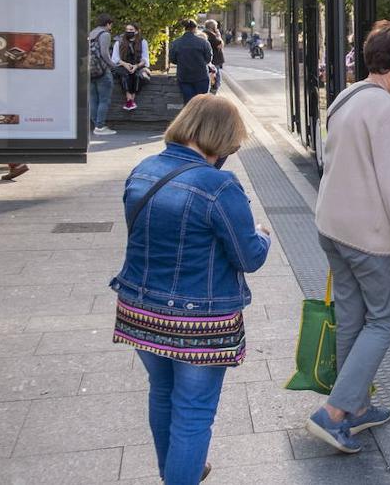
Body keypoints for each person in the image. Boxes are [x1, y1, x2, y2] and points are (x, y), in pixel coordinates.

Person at [109, 95, 271, 485]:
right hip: (199, 321)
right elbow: (248, 257)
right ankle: (181, 474)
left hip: (139, 309)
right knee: (194, 411)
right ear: (220, 137)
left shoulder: (143, 169)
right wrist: (262, 235)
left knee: (162, 394)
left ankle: (177, 471)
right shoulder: (218, 185)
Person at [306, 21, 390, 454]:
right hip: (369, 236)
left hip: (332, 226)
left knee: (352, 318)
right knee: (384, 320)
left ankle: (358, 409)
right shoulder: (388, 109)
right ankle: (335, 413)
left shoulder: (347, 96)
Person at [169, 19, 215, 102]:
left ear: (184, 29)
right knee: (202, 102)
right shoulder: (203, 42)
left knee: (189, 103)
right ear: (195, 28)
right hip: (201, 76)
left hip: (184, 76)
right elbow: (208, 59)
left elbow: (172, 59)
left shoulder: (176, 43)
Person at [88, 13, 117, 135]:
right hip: (102, 71)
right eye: (111, 25)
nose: (111, 27)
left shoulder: (91, 33)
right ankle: (100, 127)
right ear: (108, 23)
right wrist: (113, 65)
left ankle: (95, 124)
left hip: (90, 70)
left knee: (93, 99)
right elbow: (105, 54)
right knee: (104, 100)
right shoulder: (104, 34)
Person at [112, 23, 151, 111]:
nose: (128, 32)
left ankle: (131, 100)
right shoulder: (119, 41)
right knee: (124, 75)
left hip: (138, 65)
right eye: (127, 30)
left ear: (136, 31)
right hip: (122, 65)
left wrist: (136, 66)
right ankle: (129, 100)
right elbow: (115, 58)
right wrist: (125, 64)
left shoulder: (142, 42)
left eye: (131, 30)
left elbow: (145, 58)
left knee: (138, 76)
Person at [204, 20, 226, 94]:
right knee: (216, 80)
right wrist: (219, 36)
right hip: (214, 61)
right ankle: (213, 95)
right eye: (216, 27)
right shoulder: (211, 35)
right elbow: (220, 45)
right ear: (213, 27)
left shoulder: (204, 33)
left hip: (210, 60)